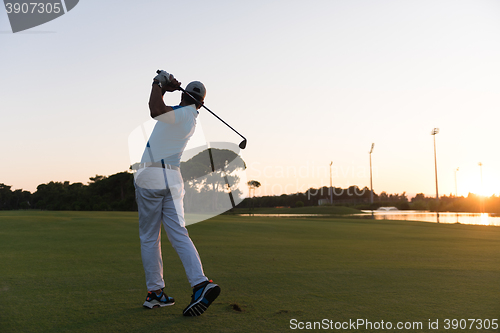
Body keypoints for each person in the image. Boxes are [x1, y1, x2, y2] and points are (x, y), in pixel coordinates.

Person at [133, 70, 220, 316]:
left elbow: (154, 110)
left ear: (184, 96)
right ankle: (200, 283)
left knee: (150, 236)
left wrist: (157, 82)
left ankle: (155, 293)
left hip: (151, 175)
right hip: (173, 178)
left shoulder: (181, 114)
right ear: (201, 102)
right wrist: (164, 87)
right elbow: (161, 106)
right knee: (179, 233)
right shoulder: (189, 116)